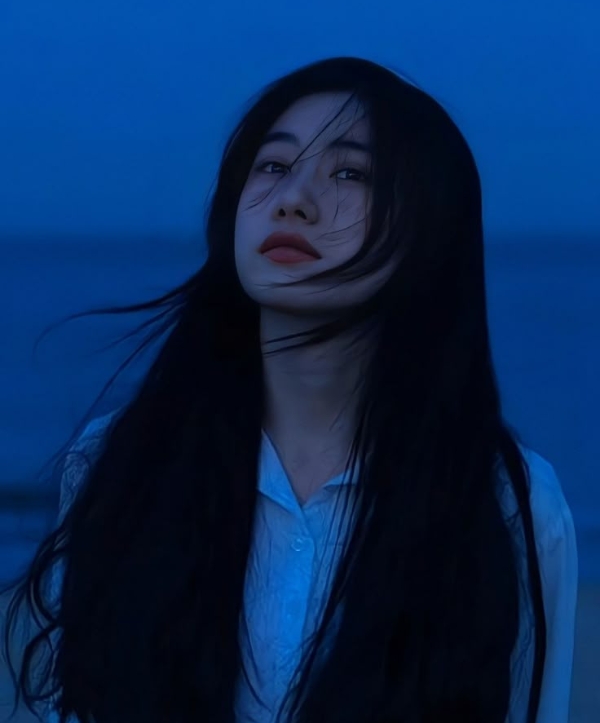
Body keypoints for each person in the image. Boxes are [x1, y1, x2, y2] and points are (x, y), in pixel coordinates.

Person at [1, 57, 578, 723]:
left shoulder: (512, 503)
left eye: (350, 173)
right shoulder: (117, 460)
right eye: (273, 165)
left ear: (429, 225)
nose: (293, 198)